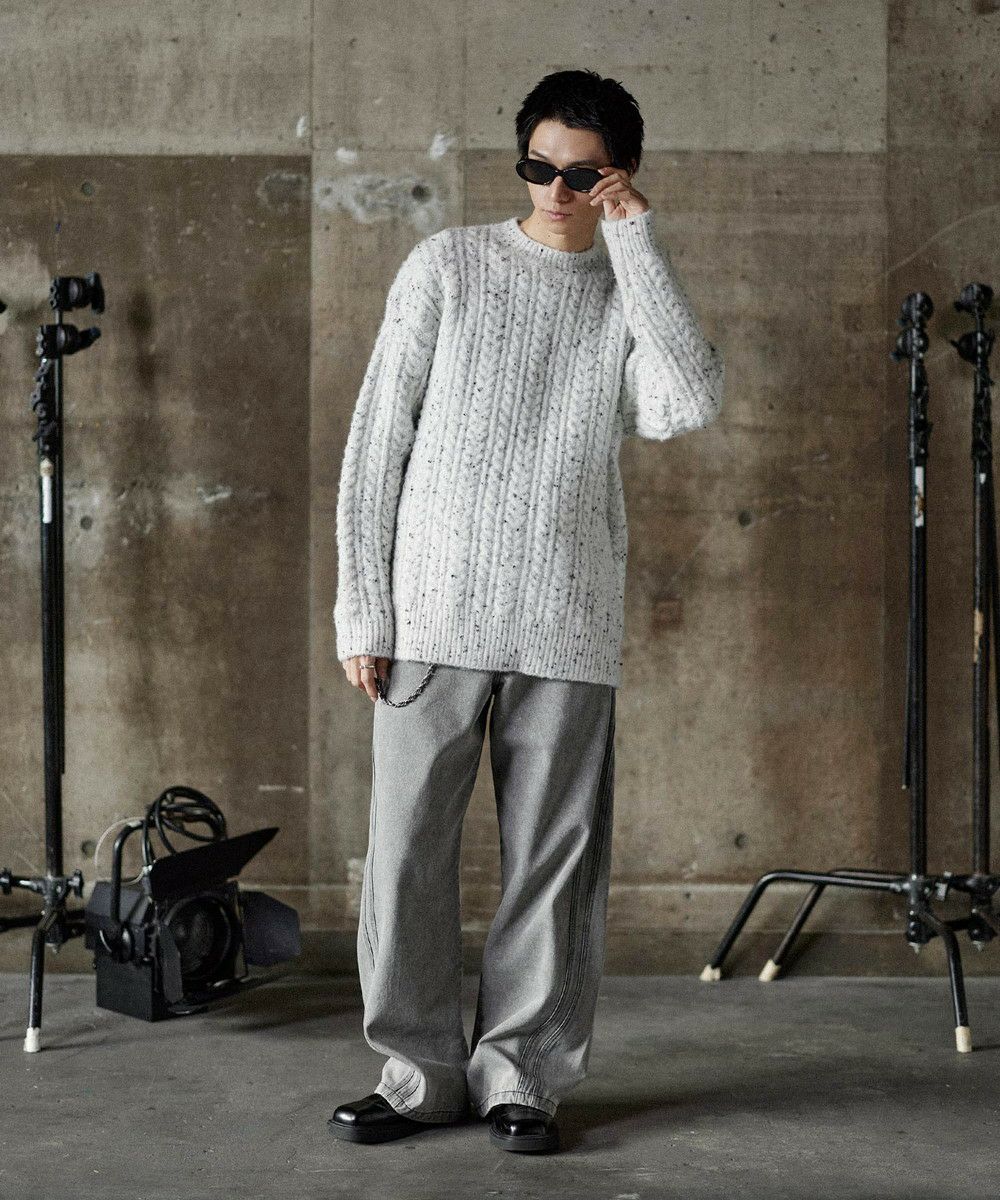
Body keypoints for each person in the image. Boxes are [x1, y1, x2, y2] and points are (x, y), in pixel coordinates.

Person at [327, 68, 724, 1154]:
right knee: (405, 857)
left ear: (618, 177)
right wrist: (364, 608)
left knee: (554, 866)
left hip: (566, 618)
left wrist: (637, 243)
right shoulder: (447, 265)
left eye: (582, 174)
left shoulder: (626, 290)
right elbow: (377, 440)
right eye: (538, 166)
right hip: (430, 615)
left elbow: (687, 400)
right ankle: (417, 1076)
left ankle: (524, 1077)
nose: (555, 188)